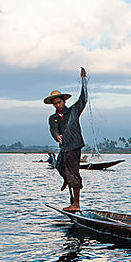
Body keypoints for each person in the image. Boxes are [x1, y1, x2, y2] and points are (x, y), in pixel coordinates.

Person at [44, 67, 87, 211]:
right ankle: (66, 180)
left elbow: (83, 99)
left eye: (59, 102)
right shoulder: (53, 118)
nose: (58, 105)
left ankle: (76, 204)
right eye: (55, 104)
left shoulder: (73, 111)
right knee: (59, 166)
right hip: (64, 148)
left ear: (63, 101)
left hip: (74, 147)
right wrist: (57, 136)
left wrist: (83, 81)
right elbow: (53, 129)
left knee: (73, 173)